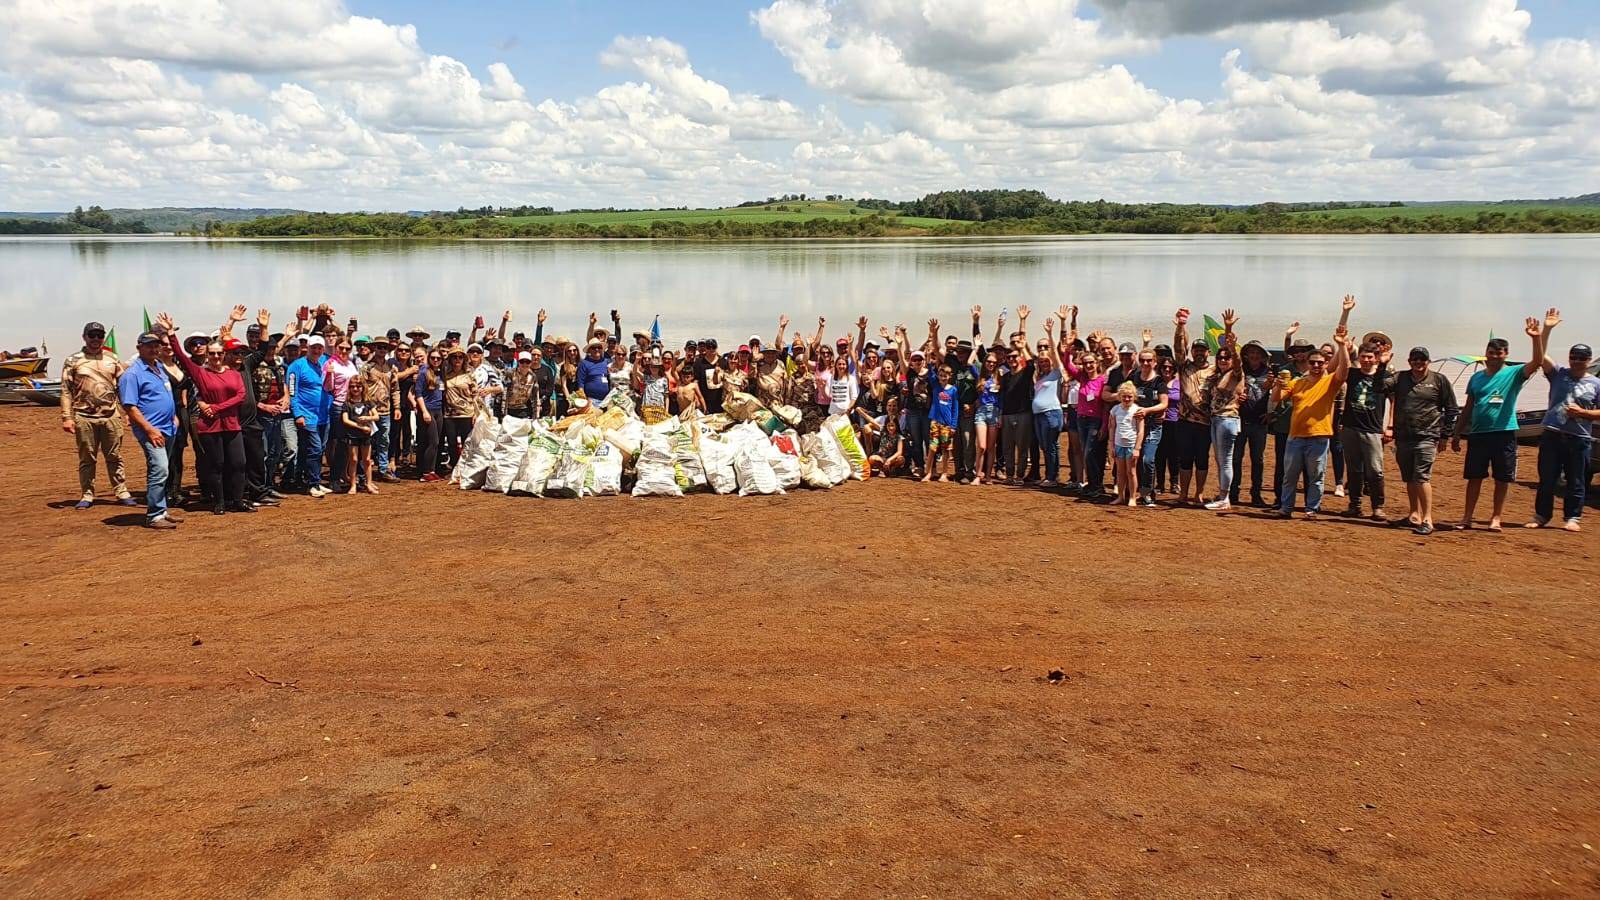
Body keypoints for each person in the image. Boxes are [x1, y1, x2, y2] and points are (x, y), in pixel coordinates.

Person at [1451, 312, 1549, 532]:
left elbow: (1538, 362)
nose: (1494, 356)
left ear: (1506, 354)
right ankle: (1467, 517)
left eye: (1499, 352)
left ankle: (1496, 517)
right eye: (1491, 352)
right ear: (1485, 353)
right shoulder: (1477, 377)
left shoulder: (1514, 373)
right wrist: (1457, 433)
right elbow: (1468, 407)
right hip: (1477, 434)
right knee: (1474, 477)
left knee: (1502, 478)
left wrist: (1536, 338)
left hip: (1503, 432)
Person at [157, 313, 251, 516]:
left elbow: (240, 396)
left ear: (224, 354)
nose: (216, 357)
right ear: (207, 355)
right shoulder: (200, 372)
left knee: (238, 463)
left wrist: (215, 407)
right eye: (212, 354)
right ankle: (219, 502)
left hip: (231, 424)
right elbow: (181, 356)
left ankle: (237, 500)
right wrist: (171, 333)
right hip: (210, 426)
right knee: (216, 464)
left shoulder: (234, 373)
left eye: (219, 353)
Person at [1273, 319, 1352, 520]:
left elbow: (1344, 370)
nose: (1316, 365)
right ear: (1307, 364)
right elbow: (1276, 399)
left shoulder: (1329, 382)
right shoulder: (1296, 382)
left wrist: (1342, 345)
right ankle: (1286, 507)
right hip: (1295, 436)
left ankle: (1312, 509)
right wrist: (1277, 384)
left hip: (1319, 436)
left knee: (1316, 477)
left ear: (1325, 364)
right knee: (1289, 476)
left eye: (1320, 362)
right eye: (1312, 362)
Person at [1379, 346, 1458, 535]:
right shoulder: (1400, 378)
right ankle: (1414, 514)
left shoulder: (1439, 380)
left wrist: (1445, 436)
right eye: (1414, 359)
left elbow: (1452, 409)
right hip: (1404, 437)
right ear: (1409, 361)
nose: (1418, 363)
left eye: (1422, 359)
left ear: (1428, 361)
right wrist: (1382, 366)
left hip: (1427, 437)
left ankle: (1428, 519)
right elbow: (1378, 387)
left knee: (1422, 477)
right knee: (1409, 478)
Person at [1528, 314, 1596, 532]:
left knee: (1576, 481)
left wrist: (1586, 413)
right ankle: (1541, 516)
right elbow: (1541, 357)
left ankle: (1573, 517)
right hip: (1552, 433)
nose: (1576, 360)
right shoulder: (1558, 374)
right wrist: (1546, 330)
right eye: (1573, 357)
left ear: (1589, 360)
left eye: (1581, 358)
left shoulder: (1596, 383)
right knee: (1547, 479)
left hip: (1579, 438)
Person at [61, 320, 134, 509]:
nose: (96, 339)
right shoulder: (73, 360)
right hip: (84, 416)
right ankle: (87, 494)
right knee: (87, 458)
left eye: (99, 336)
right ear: (84, 337)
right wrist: (66, 417)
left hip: (110, 416)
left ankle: (121, 491)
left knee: (115, 456)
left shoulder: (112, 359)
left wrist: (127, 413)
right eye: (91, 335)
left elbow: (123, 388)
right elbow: (66, 391)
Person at [117, 332, 181, 528]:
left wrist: (173, 416)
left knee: (162, 468)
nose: (154, 349)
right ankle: (154, 515)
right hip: (151, 430)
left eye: (156, 346)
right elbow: (130, 406)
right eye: (148, 346)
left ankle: (161, 510)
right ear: (139, 348)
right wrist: (149, 429)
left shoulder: (159, 367)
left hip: (168, 426)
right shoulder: (132, 374)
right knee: (160, 468)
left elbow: (165, 394)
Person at [1339, 337, 1391, 521]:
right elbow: (1342, 365)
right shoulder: (1353, 374)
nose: (1366, 360)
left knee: (1375, 470)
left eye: (1370, 357)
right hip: (1351, 427)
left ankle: (1378, 507)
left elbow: (1394, 401)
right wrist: (1344, 346)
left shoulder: (1384, 376)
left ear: (1376, 358)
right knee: (1354, 470)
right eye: (1363, 356)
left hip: (1373, 429)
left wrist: (1390, 426)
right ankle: (1355, 505)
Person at [1171, 308, 1214, 506]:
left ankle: (1199, 494)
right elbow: (1178, 348)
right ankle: (1183, 494)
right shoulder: (1184, 367)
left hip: (1205, 423)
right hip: (1185, 421)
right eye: (1195, 349)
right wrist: (1181, 325)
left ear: (1208, 352)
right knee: (1185, 458)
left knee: (1202, 460)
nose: (1198, 352)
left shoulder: (1215, 371)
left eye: (1202, 350)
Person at [1199, 338, 1245, 511]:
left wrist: (1232, 346)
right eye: (1220, 358)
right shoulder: (1218, 375)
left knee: (1225, 460)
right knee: (1220, 460)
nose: (1223, 360)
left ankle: (1225, 498)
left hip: (1228, 419)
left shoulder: (1236, 373)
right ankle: (1222, 495)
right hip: (1217, 419)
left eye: (1227, 358)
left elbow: (1239, 363)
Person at [1230, 339, 1273, 507]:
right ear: (1246, 355)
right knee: (1235, 459)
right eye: (1252, 352)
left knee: (1258, 460)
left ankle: (1256, 494)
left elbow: (1276, 396)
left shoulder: (1269, 372)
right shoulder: (1240, 371)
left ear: (1263, 356)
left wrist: (1272, 413)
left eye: (1258, 353)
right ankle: (1234, 493)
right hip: (1240, 420)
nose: (1255, 355)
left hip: (1259, 423)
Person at [287, 333, 330, 497]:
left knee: (315, 449)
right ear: (307, 348)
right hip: (307, 415)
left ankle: (310, 479)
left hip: (323, 415)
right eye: (314, 348)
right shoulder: (296, 366)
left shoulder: (324, 364)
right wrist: (298, 414)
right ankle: (313, 484)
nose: (317, 351)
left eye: (320, 348)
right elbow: (292, 392)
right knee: (316, 449)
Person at [1129, 347, 1170, 507]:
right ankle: (1134, 491)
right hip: (1134, 426)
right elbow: (1126, 396)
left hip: (1153, 426)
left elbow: (1164, 403)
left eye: (1149, 360)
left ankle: (1147, 493)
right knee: (1135, 459)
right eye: (1142, 360)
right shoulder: (1134, 378)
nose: (1145, 363)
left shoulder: (1159, 382)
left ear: (1154, 362)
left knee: (1148, 459)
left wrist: (1147, 410)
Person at [1031, 319, 1065, 487]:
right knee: (1045, 446)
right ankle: (1051, 475)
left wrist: (1050, 334)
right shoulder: (1040, 377)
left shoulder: (1056, 373)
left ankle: (1052, 477)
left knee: (1050, 446)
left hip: (1051, 413)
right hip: (1038, 415)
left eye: (1046, 361)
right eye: (1041, 361)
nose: (1044, 363)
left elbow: (1057, 355)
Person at [340, 379, 380, 494]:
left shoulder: (367, 402)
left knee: (367, 460)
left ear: (363, 388)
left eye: (358, 386)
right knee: (353, 460)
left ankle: (369, 483)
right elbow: (345, 420)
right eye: (352, 386)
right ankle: (353, 484)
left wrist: (367, 418)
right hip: (353, 435)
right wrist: (360, 427)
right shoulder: (347, 403)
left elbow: (376, 416)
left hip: (366, 435)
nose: (355, 389)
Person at [413, 347, 445, 482]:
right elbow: (418, 394)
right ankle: (425, 472)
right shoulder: (423, 373)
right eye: (433, 358)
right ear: (429, 358)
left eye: (438, 358)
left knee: (436, 443)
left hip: (439, 410)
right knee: (433, 441)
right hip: (428, 410)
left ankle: (432, 470)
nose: (436, 360)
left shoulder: (440, 373)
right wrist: (424, 411)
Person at [1109, 382, 1143, 507]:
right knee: (1120, 472)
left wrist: (1137, 448)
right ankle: (1121, 496)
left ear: (1134, 396)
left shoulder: (1137, 410)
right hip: (1118, 445)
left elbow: (1140, 431)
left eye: (1129, 396)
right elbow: (1112, 428)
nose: (1127, 399)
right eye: (1124, 396)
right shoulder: (1115, 410)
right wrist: (1111, 446)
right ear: (1120, 396)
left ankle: (1133, 497)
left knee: (1131, 472)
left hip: (1131, 445)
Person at [441, 348, 477, 470]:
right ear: (450, 360)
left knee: (467, 442)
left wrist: (476, 413)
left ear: (464, 360)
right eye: (454, 357)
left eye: (460, 357)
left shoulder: (469, 375)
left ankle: (466, 467)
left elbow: (475, 395)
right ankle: (455, 466)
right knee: (451, 442)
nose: (457, 360)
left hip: (466, 413)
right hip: (450, 414)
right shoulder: (445, 376)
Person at [924, 363, 960, 482]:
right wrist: (929, 360)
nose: (942, 378)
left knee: (945, 449)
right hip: (935, 421)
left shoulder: (953, 390)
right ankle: (928, 472)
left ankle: (944, 473)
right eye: (940, 375)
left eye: (945, 376)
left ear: (950, 376)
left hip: (947, 424)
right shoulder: (936, 386)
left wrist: (953, 425)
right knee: (932, 448)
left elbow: (955, 408)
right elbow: (930, 373)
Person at [972, 349, 1003, 485]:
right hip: (981, 412)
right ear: (984, 362)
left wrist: (1000, 415)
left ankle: (988, 476)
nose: (991, 364)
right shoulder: (979, 376)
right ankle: (978, 475)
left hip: (995, 412)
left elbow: (1001, 398)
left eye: (993, 362)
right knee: (982, 446)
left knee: (991, 447)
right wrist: (976, 348)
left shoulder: (999, 377)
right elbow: (969, 363)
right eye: (989, 361)